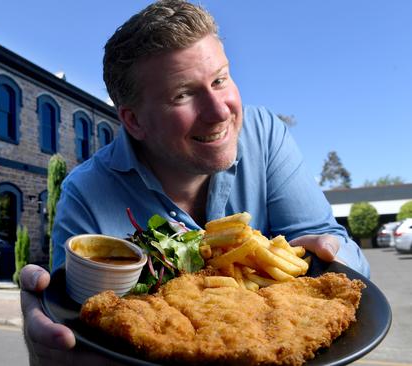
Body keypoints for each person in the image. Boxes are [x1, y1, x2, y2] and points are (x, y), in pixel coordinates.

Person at [20, 0, 370, 364]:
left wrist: (331, 255)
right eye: (183, 95)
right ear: (133, 121)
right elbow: (79, 321)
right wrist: (45, 348)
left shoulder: (263, 134)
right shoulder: (85, 194)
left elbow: (346, 262)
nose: (220, 112)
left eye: (220, 80)